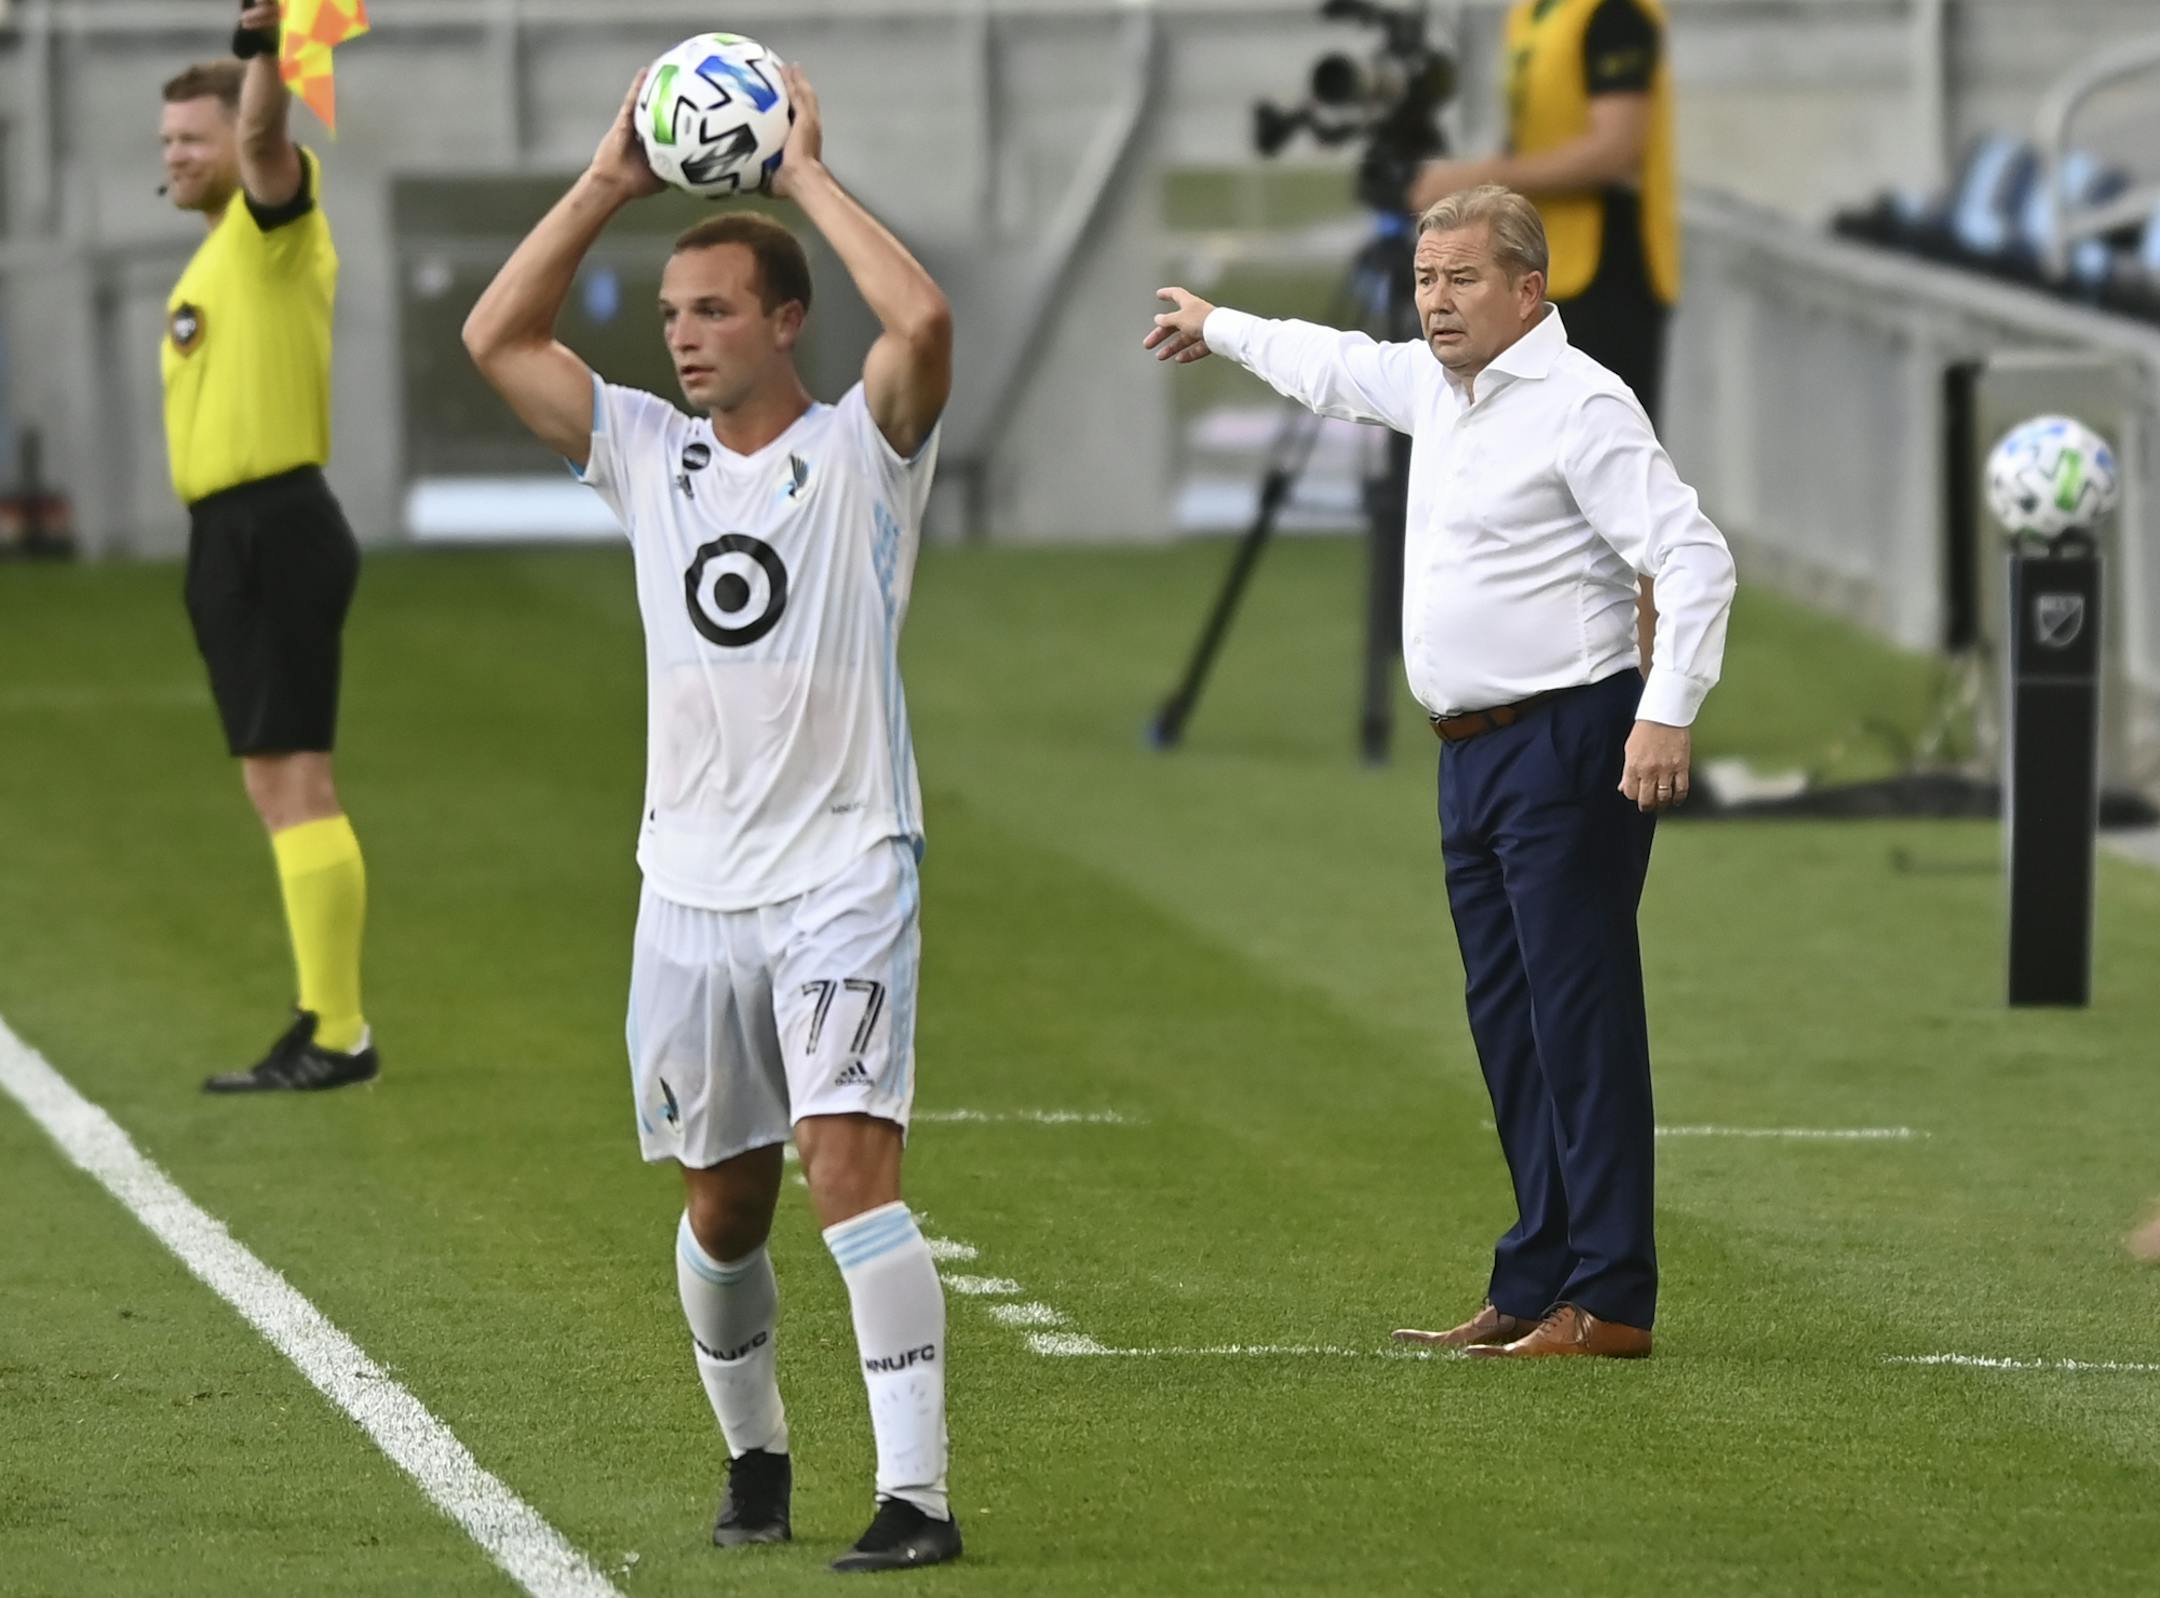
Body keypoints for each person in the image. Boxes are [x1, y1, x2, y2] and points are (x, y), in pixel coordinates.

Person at [461, 66, 961, 1569]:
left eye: (717, 310)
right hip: (687, 886)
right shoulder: (639, 449)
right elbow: (498, 336)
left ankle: (917, 1497)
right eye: (673, 313)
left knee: (848, 1166)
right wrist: (609, 176)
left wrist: (806, 172)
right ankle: (757, 1459)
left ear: (786, 319)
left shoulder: (867, 452)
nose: (683, 335)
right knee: (726, 1206)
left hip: (844, 866)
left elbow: (924, 326)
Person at [1147, 185, 1735, 1359]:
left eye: (1462, 279)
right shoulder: (1434, 383)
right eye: (1426, 280)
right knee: (1509, 1024)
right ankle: (1536, 1276)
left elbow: (1692, 552)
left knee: (1580, 1018)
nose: (1436, 301)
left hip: (1570, 737)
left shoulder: (1581, 403)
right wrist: (1217, 325)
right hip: (1470, 754)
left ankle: (1612, 1295)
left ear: (1530, 289)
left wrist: (1667, 712)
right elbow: (1333, 365)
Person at [161, 4, 378, 1095]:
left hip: (271, 526)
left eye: (190, 137)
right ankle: (325, 1018)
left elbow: (260, 141)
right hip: (236, 534)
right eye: (168, 144)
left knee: (297, 780)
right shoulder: (217, 259)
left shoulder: (271, 225)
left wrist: (264, 48)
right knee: (276, 782)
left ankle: (338, 1031)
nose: (178, 155)